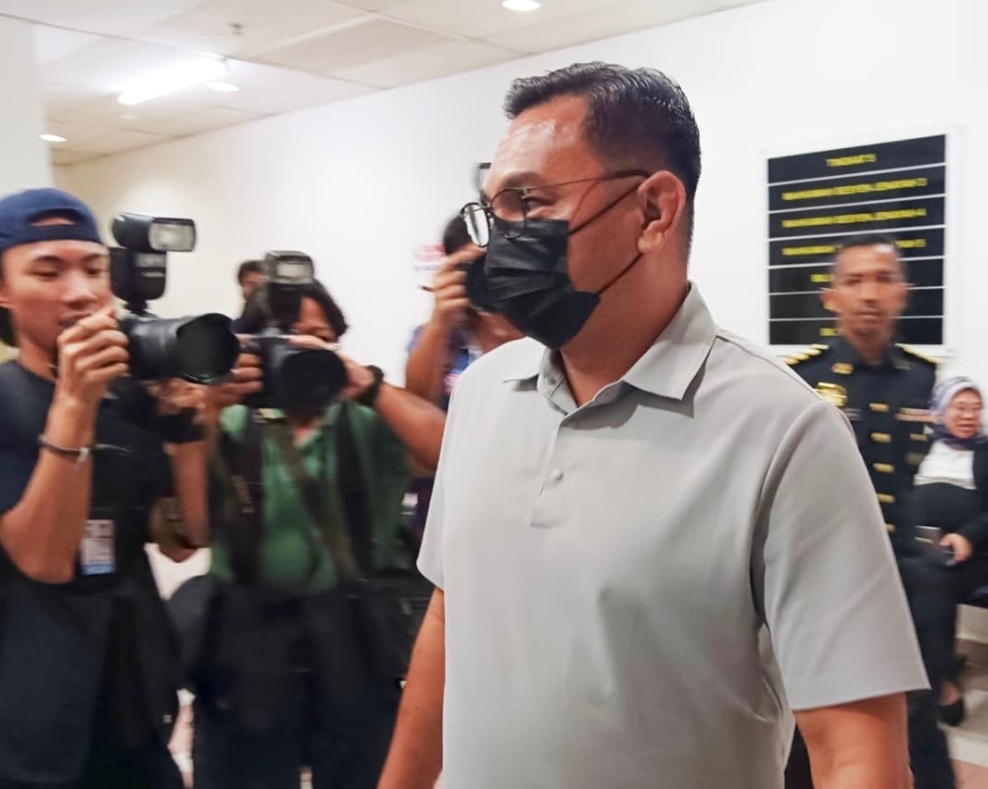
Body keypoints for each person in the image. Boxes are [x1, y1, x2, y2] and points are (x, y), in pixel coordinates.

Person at [377, 63, 927, 789]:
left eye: (529, 201)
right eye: (493, 211)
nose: (496, 243)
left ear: (653, 211)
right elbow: (451, 620)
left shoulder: (784, 432)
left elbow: (854, 747)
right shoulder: (480, 395)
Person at [189, 278, 446, 789]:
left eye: (318, 337)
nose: (297, 352)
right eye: (282, 338)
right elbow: (186, 530)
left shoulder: (361, 419)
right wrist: (204, 410)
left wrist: (367, 385)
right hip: (245, 646)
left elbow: (450, 453)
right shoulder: (226, 420)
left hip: (351, 638)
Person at [0, 187, 212, 789]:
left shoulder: (126, 397)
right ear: (4, 291)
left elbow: (182, 538)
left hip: (133, 694)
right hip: (29, 705)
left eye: (94, 268)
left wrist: (188, 429)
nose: (82, 291)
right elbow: (41, 559)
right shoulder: (8, 401)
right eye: (48, 270)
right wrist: (73, 403)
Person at [785, 232, 954, 788]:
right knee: (816, 719)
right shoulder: (803, 380)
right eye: (854, 281)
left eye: (882, 279)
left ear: (903, 293)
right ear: (831, 296)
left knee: (917, 715)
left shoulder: (923, 379)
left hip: (905, 573)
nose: (869, 294)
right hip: (829, 576)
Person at [404, 216, 520, 539]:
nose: (492, 276)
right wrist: (439, 320)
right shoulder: (438, 338)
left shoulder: (542, 329)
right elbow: (416, 407)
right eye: (478, 265)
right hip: (448, 521)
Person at [910, 377, 988, 726]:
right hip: (919, 547)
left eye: (975, 409)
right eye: (960, 407)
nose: (968, 416)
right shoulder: (920, 447)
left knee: (934, 583)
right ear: (940, 410)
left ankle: (943, 680)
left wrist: (967, 536)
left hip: (978, 553)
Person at [232, 260, 264, 333]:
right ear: (241, 285)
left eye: (261, 286)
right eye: (251, 284)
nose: (256, 291)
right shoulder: (232, 330)